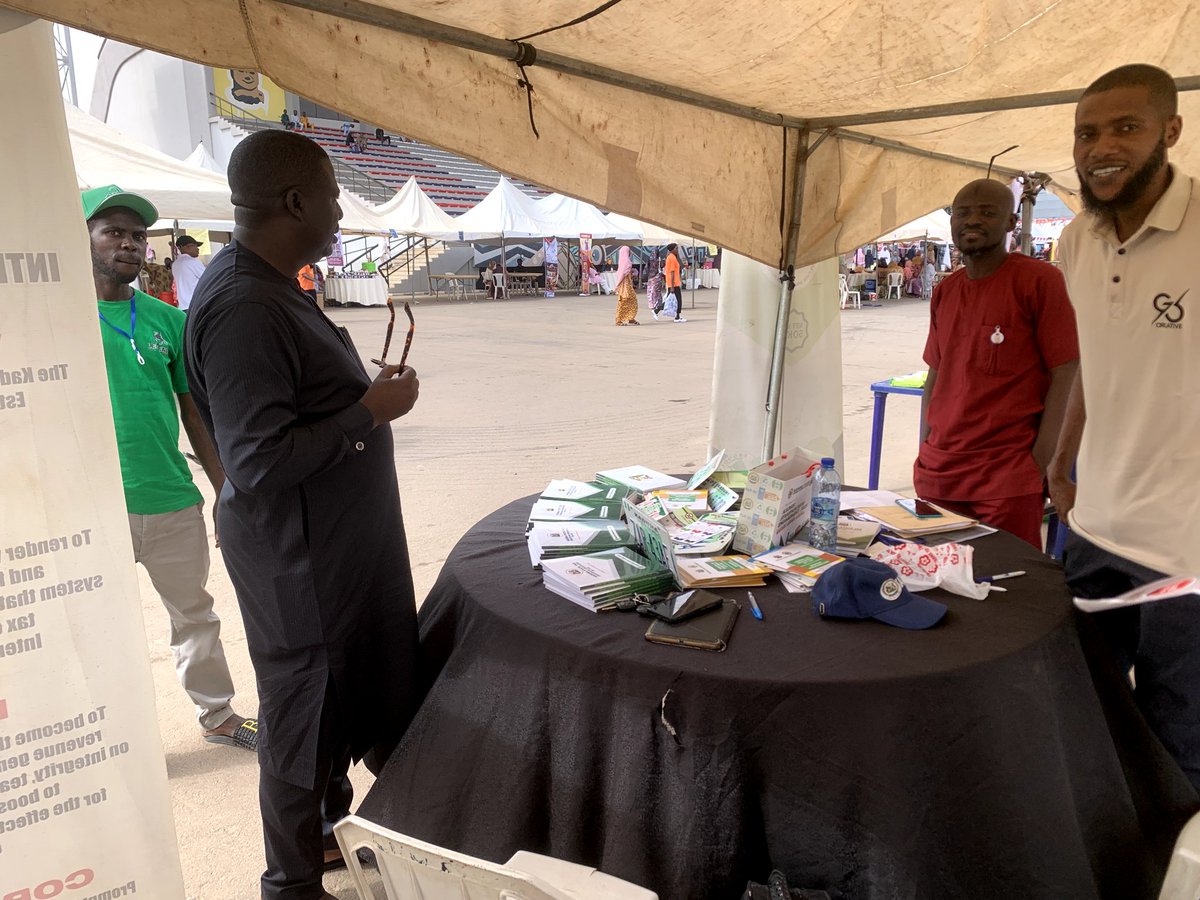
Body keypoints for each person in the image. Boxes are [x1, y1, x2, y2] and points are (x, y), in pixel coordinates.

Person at [184, 129, 422, 900]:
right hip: (300, 566)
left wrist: (356, 399)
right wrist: (368, 411)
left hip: (328, 555)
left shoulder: (273, 285)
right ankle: (290, 884)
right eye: (331, 195)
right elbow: (255, 462)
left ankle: (325, 832)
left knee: (336, 705)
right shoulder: (245, 305)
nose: (339, 211)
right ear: (295, 201)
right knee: (302, 720)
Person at [1048, 64, 1200, 790]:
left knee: (1182, 734)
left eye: (1125, 127)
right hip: (1094, 529)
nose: (1101, 146)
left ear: (1171, 131)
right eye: (1086, 132)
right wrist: (1063, 454)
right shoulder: (1076, 241)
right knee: (1087, 714)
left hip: (1186, 551)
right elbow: (1093, 358)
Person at [82, 184, 257, 753]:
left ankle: (219, 716)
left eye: (137, 236)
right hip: (91, 507)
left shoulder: (165, 320)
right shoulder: (52, 321)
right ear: (81, 237)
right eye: (114, 232)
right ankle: (114, 739)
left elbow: (194, 412)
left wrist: (224, 487)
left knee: (195, 616)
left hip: (169, 499)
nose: (130, 244)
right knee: (94, 628)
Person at [913, 177, 1080, 548]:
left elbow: (1067, 372)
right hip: (940, 472)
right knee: (937, 581)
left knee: (1008, 586)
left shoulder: (1040, 282)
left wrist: (1043, 462)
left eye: (987, 212)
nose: (972, 221)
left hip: (1006, 475)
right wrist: (925, 445)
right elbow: (935, 373)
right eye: (963, 213)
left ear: (1010, 222)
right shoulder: (946, 290)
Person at [172, 234, 206, 311]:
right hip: (195, 305)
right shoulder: (193, 262)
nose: (198, 249)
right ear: (186, 247)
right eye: (195, 246)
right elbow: (209, 278)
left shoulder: (175, 264)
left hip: (182, 307)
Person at [613, 245, 639, 325]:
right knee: (624, 301)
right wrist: (617, 285)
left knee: (631, 300)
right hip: (625, 285)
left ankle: (630, 317)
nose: (630, 252)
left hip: (625, 284)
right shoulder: (627, 262)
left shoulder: (621, 261)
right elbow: (622, 275)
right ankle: (619, 320)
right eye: (629, 250)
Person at [664, 242, 687, 323]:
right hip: (674, 283)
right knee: (678, 300)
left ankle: (656, 310)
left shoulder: (670, 257)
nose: (677, 250)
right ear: (673, 250)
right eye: (676, 249)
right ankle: (677, 316)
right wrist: (673, 286)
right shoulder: (672, 258)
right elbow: (672, 272)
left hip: (672, 282)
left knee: (671, 299)